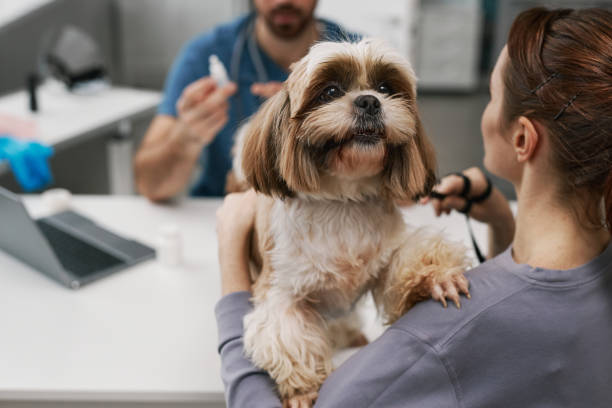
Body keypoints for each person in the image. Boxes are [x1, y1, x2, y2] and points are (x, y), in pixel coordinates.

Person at [215, 7, 612, 407]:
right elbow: (519, 302)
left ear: (523, 139)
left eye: (491, 97)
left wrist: (232, 259)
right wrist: (500, 217)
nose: (370, 102)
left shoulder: (432, 338)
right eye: (335, 93)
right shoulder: (595, 273)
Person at [133, 0, 357, 201]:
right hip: (220, 211)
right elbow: (150, 185)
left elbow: (389, 184)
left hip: (331, 215)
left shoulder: (362, 59)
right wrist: (186, 136)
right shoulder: (205, 55)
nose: (283, 1)